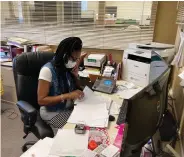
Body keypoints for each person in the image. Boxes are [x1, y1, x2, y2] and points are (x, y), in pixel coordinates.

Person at [37, 37, 85, 133]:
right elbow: (41, 100)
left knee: (85, 124)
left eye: (77, 58)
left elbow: (76, 88)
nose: (75, 61)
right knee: (75, 132)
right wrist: (68, 95)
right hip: (52, 112)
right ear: (64, 55)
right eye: (74, 58)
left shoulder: (66, 67)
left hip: (67, 108)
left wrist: (75, 76)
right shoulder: (47, 71)